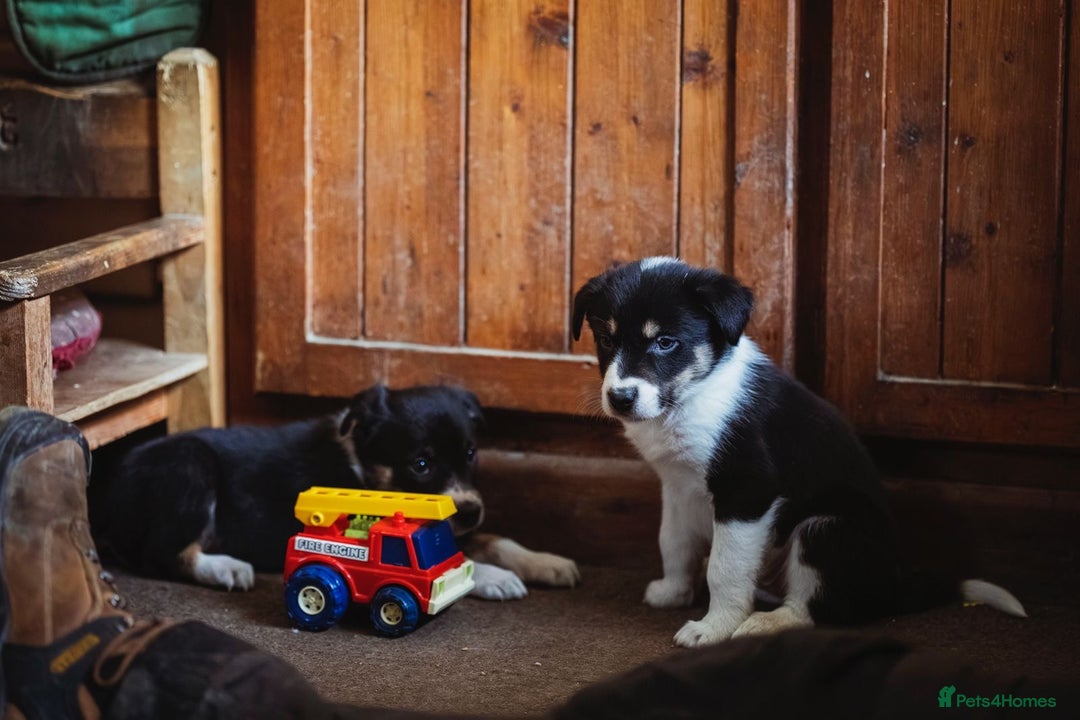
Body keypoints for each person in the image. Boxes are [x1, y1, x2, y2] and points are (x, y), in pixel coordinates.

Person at [0, 407, 1071, 720]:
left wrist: (492, 550)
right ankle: (162, 606)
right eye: (434, 467)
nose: (461, 490)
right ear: (364, 443)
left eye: (464, 465)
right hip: (193, 490)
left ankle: (110, 666)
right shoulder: (327, 467)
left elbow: (448, 528)